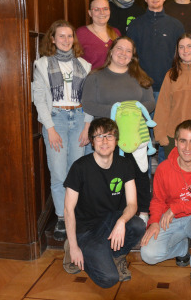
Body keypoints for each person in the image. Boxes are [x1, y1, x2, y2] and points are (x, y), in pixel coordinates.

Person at [141, 120, 191, 290]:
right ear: (176, 142)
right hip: (171, 221)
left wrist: (177, 208)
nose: (187, 147)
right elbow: (157, 200)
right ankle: (182, 248)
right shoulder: (164, 168)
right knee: (148, 254)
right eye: (183, 141)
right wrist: (154, 222)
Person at [81, 36, 155, 224]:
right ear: (111, 51)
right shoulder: (95, 76)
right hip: (107, 137)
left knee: (139, 174)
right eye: (119, 49)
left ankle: (144, 213)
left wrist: (129, 110)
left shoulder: (140, 76)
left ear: (133, 56)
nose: (123, 53)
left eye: (128, 50)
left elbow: (150, 104)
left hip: (136, 136)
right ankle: (115, 214)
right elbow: (88, 104)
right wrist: (116, 111)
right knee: (112, 176)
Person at [63, 118, 145, 287]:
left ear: (116, 140)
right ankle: (75, 250)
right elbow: (68, 210)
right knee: (109, 280)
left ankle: (116, 256)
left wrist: (121, 222)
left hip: (109, 224)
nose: (104, 141)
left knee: (137, 225)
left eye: (109, 136)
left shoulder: (125, 165)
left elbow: (132, 204)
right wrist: (74, 247)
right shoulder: (80, 168)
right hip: (85, 232)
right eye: (99, 136)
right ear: (92, 142)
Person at [32, 20, 92, 241]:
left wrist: (87, 125)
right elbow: (38, 98)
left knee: (76, 171)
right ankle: (61, 217)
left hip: (78, 119)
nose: (66, 40)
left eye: (70, 36)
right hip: (56, 119)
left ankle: (74, 213)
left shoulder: (84, 66)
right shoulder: (42, 64)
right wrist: (50, 128)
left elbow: (89, 99)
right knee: (58, 172)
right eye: (61, 36)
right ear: (53, 39)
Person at [127, 0, 184, 97]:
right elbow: (129, 57)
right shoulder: (135, 25)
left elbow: (182, 57)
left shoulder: (176, 25)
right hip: (141, 86)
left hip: (169, 86)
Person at [76, 0, 121, 70]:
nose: (102, 12)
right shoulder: (80, 33)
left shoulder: (116, 33)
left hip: (114, 80)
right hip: (90, 80)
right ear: (90, 13)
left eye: (105, 9)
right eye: (96, 9)